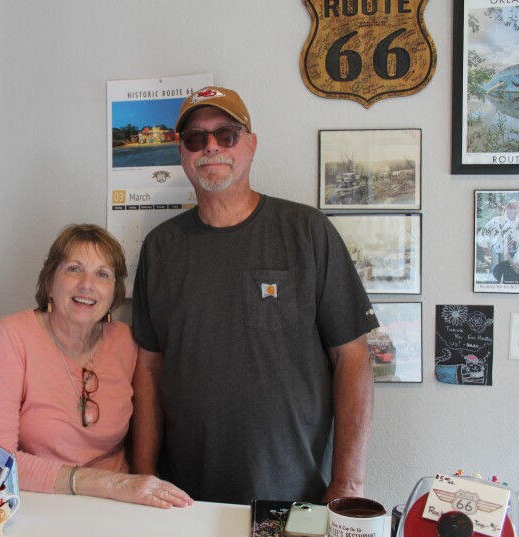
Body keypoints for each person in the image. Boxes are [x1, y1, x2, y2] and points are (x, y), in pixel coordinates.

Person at [130, 86, 380, 505]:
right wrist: (143, 475)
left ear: (251, 143)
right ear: (182, 151)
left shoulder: (307, 232)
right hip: (182, 498)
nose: (210, 146)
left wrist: (348, 484)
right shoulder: (160, 248)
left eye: (225, 134)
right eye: (195, 137)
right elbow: (149, 369)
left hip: (293, 494)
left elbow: (352, 357)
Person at [0, 224, 193, 509]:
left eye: (102, 274)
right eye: (74, 269)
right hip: (41, 502)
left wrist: (135, 483)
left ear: (114, 292)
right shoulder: (11, 336)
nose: (87, 284)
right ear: (49, 283)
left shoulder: (127, 341)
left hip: (119, 506)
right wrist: (108, 484)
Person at [476, 199, 519, 282]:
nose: (512, 210)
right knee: (493, 281)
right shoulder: (496, 221)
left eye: (515, 208)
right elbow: (481, 236)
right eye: (510, 208)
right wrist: (487, 251)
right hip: (497, 256)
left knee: (511, 282)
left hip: (515, 258)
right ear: (506, 209)